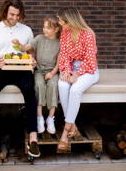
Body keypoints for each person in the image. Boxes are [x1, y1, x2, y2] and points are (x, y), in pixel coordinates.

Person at [0, 0, 40, 161]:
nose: (15, 18)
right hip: (1, 68)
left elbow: (31, 53)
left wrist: (32, 61)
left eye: (18, 15)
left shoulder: (27, 30)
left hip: (22, 69)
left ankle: (33, 137)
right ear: (5, 11)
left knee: (29, 92)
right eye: (12, 14)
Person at [57, 8, 99, 152]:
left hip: (88, 70)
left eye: (61, 21)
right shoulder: (66, 33)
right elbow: (63, 54)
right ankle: (73, 126)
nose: (59, 23)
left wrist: (77, 74)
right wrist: (66, 71)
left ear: (70, 21)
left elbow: (90, 60)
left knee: (75, 89)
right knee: (62, 85)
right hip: (71, 68)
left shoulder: (88, 34)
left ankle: (65, 131)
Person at [12, 16, 60, 135]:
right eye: (44, 27)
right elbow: (25, 48)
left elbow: (60, 61)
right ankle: (39, 117)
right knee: (38, 85)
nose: (45, 30)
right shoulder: (39, 38)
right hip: (39, 70)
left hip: (52, 71)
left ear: (56, 29)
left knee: (53, 85)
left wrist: (52, 73)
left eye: (48, 28)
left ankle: (50, 118)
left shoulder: (60, 43)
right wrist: (19, 44)